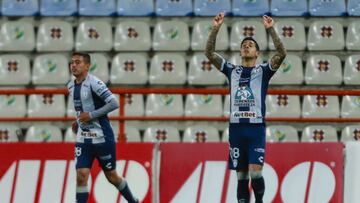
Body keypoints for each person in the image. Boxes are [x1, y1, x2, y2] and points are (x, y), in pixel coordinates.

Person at [205, 13, 286, 203]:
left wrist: (271, 29)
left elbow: (282, 54)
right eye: (244, 45)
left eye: (251, 45)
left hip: (256, 129)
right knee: (241, 178)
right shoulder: (232, 70)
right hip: (236, 129)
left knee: (256, 174)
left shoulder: (264, 71)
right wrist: (215, 28)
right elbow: (209, 53)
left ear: (257, 53)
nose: (246, 45)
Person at [68, 52, 139, 203]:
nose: (73, 65)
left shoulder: (94, 83)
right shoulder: (71, 85)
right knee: (81, 175)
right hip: (83, 138)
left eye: (78, 62)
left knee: (111, 176)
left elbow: (114, 103)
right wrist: (78, 121)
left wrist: (91, 115)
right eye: (72, 62)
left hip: (102, 137)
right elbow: (82, 108)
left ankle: (133, 201)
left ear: (87, 66)